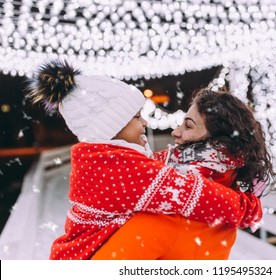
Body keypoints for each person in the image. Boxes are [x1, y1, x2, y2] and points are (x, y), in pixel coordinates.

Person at [27, 60, 262, 260]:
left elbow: (158, 167)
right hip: (83, 251)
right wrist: (247, 208)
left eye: (187, 125)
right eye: (137, 117)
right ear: (114, 127)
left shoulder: (109, 159)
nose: (146, 123)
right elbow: (193, 192)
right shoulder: (124, 169)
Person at [91, 88, 276, 260]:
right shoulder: (228, 200)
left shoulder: (169, 213)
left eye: (188, 126)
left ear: (219, 144)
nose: (175, 132)